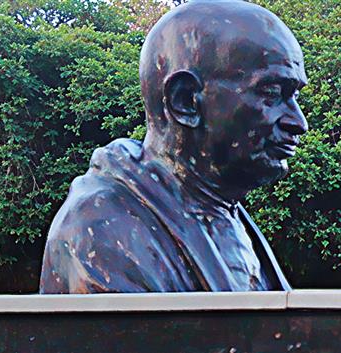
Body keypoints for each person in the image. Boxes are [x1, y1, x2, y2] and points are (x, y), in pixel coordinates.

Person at [39, 0, 307, 293]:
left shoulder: (222, 213)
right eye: (271, 93)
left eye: (294, 97)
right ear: (186, 101)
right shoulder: (102, 229)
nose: (299, 122)